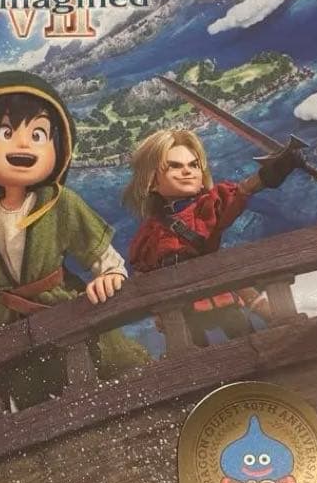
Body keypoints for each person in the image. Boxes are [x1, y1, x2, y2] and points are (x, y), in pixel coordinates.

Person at [0, 71, 149, 409]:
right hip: (12, 325)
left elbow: (97, 251)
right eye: (6, 133)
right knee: (33, 398)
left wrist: (110, 274)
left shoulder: (60, 202)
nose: (24, 145)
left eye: (38, 134)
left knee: (109, 371)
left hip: (65, 307)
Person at [124, 128, 300, 346]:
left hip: (220, 296)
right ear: (152, 181)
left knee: (248, 340)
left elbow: (243, 190)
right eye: (174, 166)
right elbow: (142, 273)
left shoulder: (207, 207)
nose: (187, 171)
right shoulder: (150, 232)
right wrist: (157, 312)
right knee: (193, 354)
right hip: (180, 308)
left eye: (193, 165)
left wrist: (272, 173)